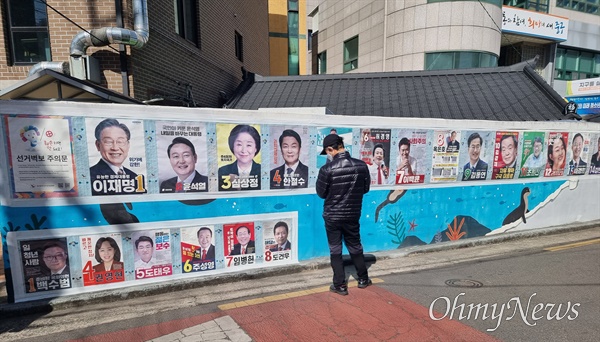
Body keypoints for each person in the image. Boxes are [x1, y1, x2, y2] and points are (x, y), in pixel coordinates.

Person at [316, 134, 372, 295]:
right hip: (352, 215)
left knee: (335, 249)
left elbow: (321, 193)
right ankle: (363, 279)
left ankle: (340, 285)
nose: (328, 154)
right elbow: (365, 188)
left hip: (332, 216)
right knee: (355, 246)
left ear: (330, 149)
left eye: (327, 151)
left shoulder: (327, 169)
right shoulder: (361, 166)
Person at [89, 118, 139, 196]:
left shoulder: (134, 177)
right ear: (98, 145)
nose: (115, 148)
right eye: (108, 142)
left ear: (128, 145)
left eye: (120, 142)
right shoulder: (89, 176)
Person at [218, 124, 261, 191]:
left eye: (249, 145)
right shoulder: (223, 171)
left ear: (256, 148)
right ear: (233, 147)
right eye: (239, 144)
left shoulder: (263, 171)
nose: (243, 150)